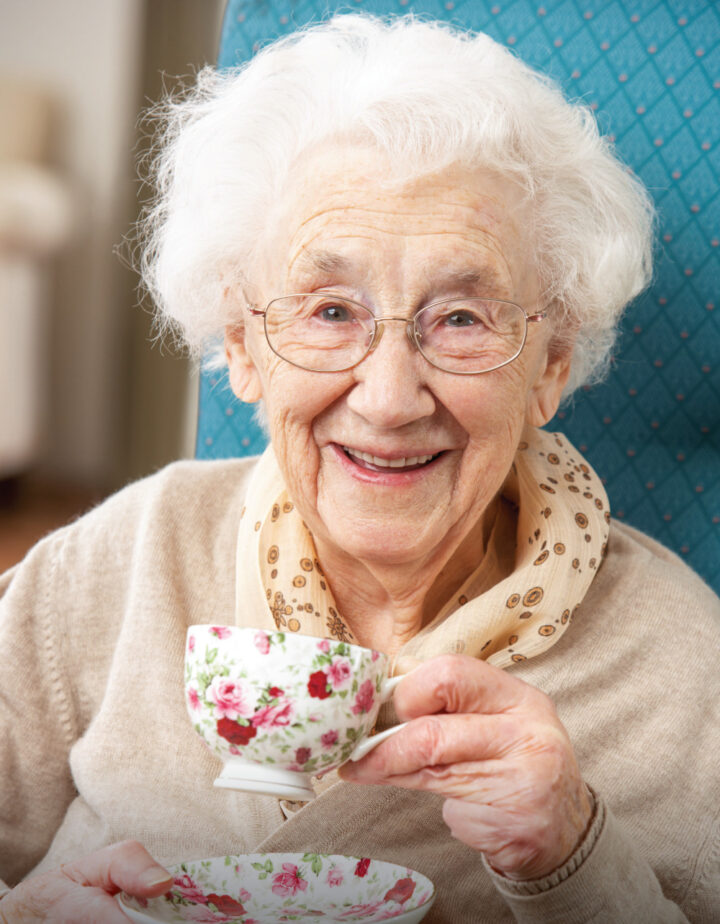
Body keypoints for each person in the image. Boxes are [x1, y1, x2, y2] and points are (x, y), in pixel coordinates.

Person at [1, 13, 718, 923]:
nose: (388, 398)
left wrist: (574, 856)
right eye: (330, 310)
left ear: (551, 366)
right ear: (243, 347)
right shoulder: (120, 561)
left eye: (461, 318)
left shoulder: (683, 673)